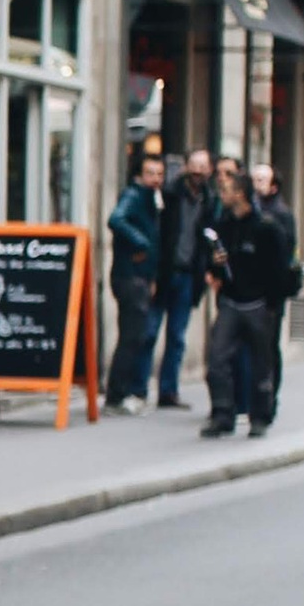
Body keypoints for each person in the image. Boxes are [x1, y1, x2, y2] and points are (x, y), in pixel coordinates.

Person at [201, 162, 296, 439]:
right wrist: (216, 264)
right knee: (218, 359)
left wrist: (273, 303)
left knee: (260, 363)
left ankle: (260, 416)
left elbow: (280, 268)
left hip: (258, 303)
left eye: (227, 190)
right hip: (231, 300)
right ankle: (222, 413)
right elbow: (216, 260)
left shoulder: (267, 228)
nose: (222, 195)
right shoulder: (224, 225)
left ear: (241, 194)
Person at [155, 145, 216, 409]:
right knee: (149, 332)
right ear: (186, 167)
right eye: (195, 165)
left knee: (177, 337)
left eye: (203, 167)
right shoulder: (169, 195)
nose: (198, 172)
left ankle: (168, 391)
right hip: (165, 272)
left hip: (189, 275)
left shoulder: (210, 201)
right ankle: (135, 389)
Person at [106, 150, 164, 412]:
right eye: (150, 173)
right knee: (131, 336)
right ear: (139, 174)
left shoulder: (152, 198)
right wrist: (141, 242)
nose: (155, 179)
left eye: (160, 174)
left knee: (135, 335)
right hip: (129, 275)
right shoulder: (133, 195)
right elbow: (115, 219)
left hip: (139, 275)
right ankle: (116, 395)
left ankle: (122, 392)